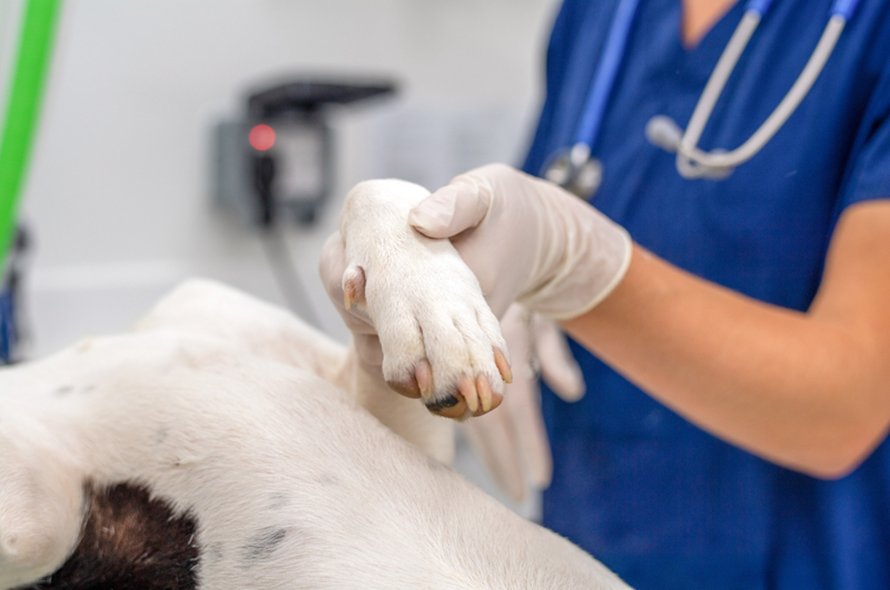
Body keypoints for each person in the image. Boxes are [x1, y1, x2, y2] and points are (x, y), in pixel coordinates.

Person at [322, 0, 890, 588]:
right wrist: (487, 295)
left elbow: (846, 408)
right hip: (588, 556)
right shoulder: (599, 13)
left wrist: (576, 266)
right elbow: (534, 202)